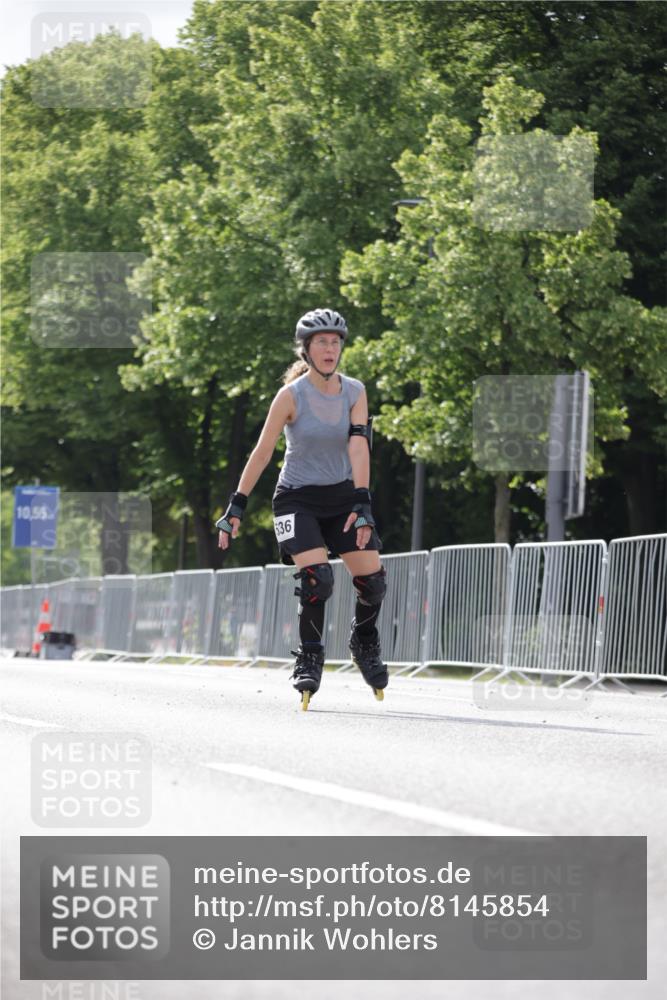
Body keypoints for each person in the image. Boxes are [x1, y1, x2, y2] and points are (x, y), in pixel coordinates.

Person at [216, 308, 388, 707]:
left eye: (336, 342)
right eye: (322, 342)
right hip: (296, 499)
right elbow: (262, 454)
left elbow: (359, 445)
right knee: (318, 580)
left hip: (343, 495)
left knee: (374, 583)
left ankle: (364, 641)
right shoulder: (290, 397)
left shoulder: (355, 392)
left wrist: (363, 502)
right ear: (306, 350)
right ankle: (309, 656)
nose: (330, 349)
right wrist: (236, 507)